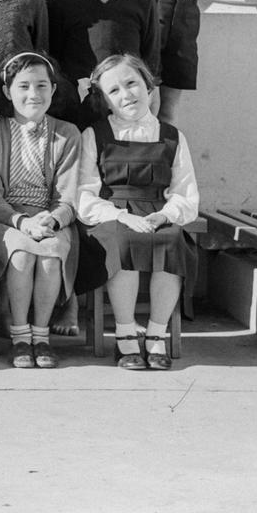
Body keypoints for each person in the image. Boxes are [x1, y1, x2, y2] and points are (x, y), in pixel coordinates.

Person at [77, 53, 200, 370]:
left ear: (149, 86)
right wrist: (120, 215)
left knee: (172, 242)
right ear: (104, 100)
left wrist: (166, 215)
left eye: (131, 83)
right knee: (123, 241)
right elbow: (84, 194)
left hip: (158, 213)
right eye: (113, 91)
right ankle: (125, 334)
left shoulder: (172, 136)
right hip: (111, 217)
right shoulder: (95, 135)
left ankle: (157, 335)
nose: (126, 94)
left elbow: (185, 191)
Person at [0, 52, 84, 369]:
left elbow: (68, 196)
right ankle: (20, 336)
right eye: (23, 86)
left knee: (51, 254)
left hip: (50, 218)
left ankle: (42, 336)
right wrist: (21, 222)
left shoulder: (67, 134)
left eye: (41, 85)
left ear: (53, 89)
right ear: (8, 91)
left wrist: (52, 219)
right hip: (5, 219)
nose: (33, 94)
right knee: (22, 254)